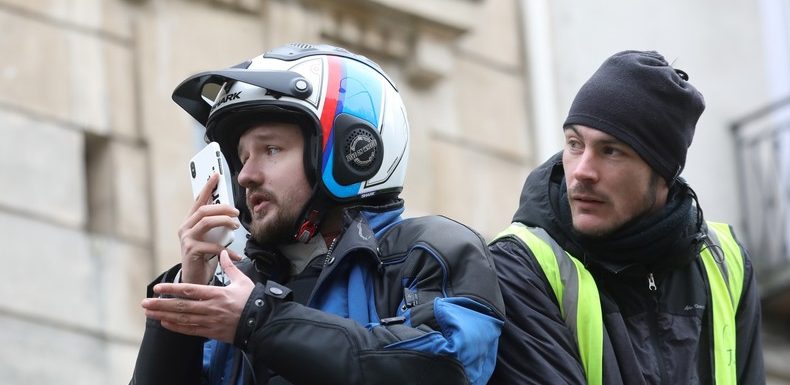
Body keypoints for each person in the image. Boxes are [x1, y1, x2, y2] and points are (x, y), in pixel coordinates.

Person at [129, 43, 505, 385]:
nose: (246, 175)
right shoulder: (237, 290)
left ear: (350, 151)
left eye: (271, 150)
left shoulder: (431, 251)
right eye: (242, 157)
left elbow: (447, 367)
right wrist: (182, 312)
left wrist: (262, 321)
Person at [488, 50, 765, 385]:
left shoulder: (726, 263)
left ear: (663, 173)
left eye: (611, 151)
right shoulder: (520, 266)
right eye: (575, 144)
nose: (583, 172)